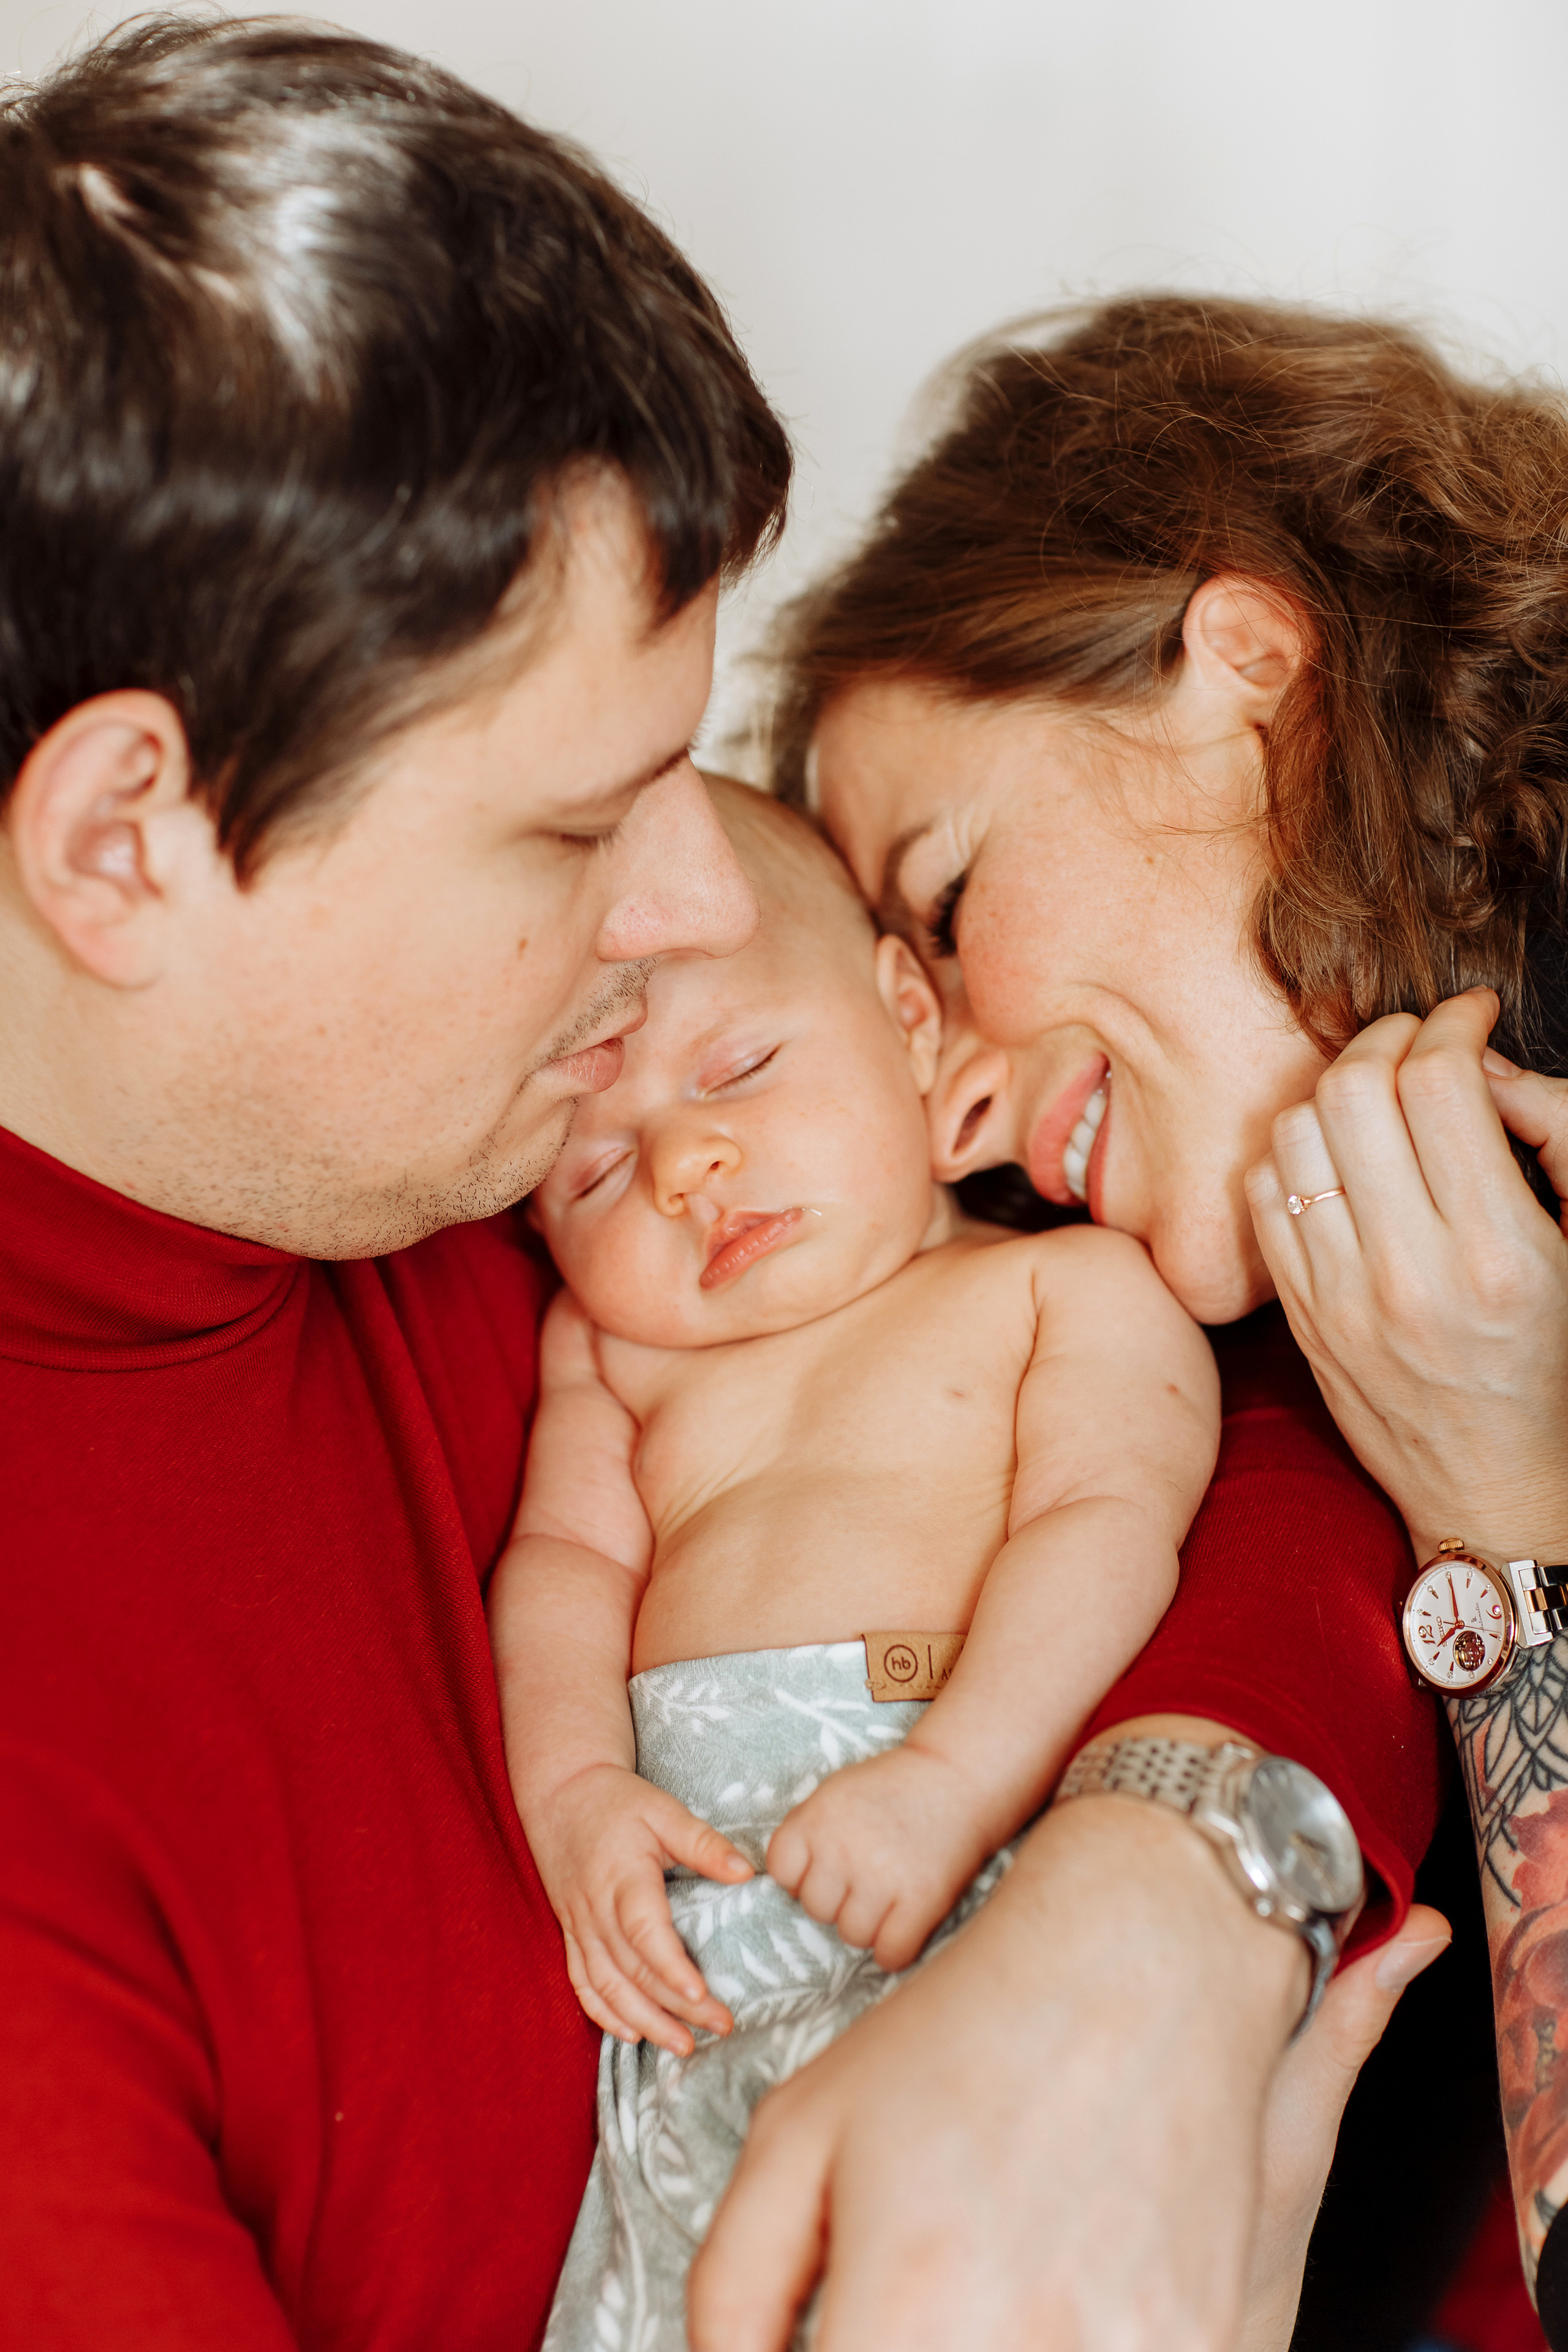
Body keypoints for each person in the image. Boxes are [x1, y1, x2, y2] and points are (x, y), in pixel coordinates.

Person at [0, 21, 1441, 2351]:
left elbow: (1240, 1395)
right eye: (578, 825)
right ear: (124, 846)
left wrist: (1157, 1905)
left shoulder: (490, 1129)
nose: (694, 909)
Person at [776, 290, 1568, 2343]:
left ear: (1254, 674)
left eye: (946, 908)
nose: (947, 1084)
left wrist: (1507, 1510)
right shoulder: (1237, 1360)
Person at [492, 778, 1221, 2348]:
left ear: (907, 1019)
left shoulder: (1066, 1293)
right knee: (673, 2271)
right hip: (696, 1907)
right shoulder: (612, 1348)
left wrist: (957, 1775)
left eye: (741, 1067)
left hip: (966, 1832)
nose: (687, 1164)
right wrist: (570, 1792)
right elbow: (557, 1566)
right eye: (596, 1174)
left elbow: (1106, 1533)